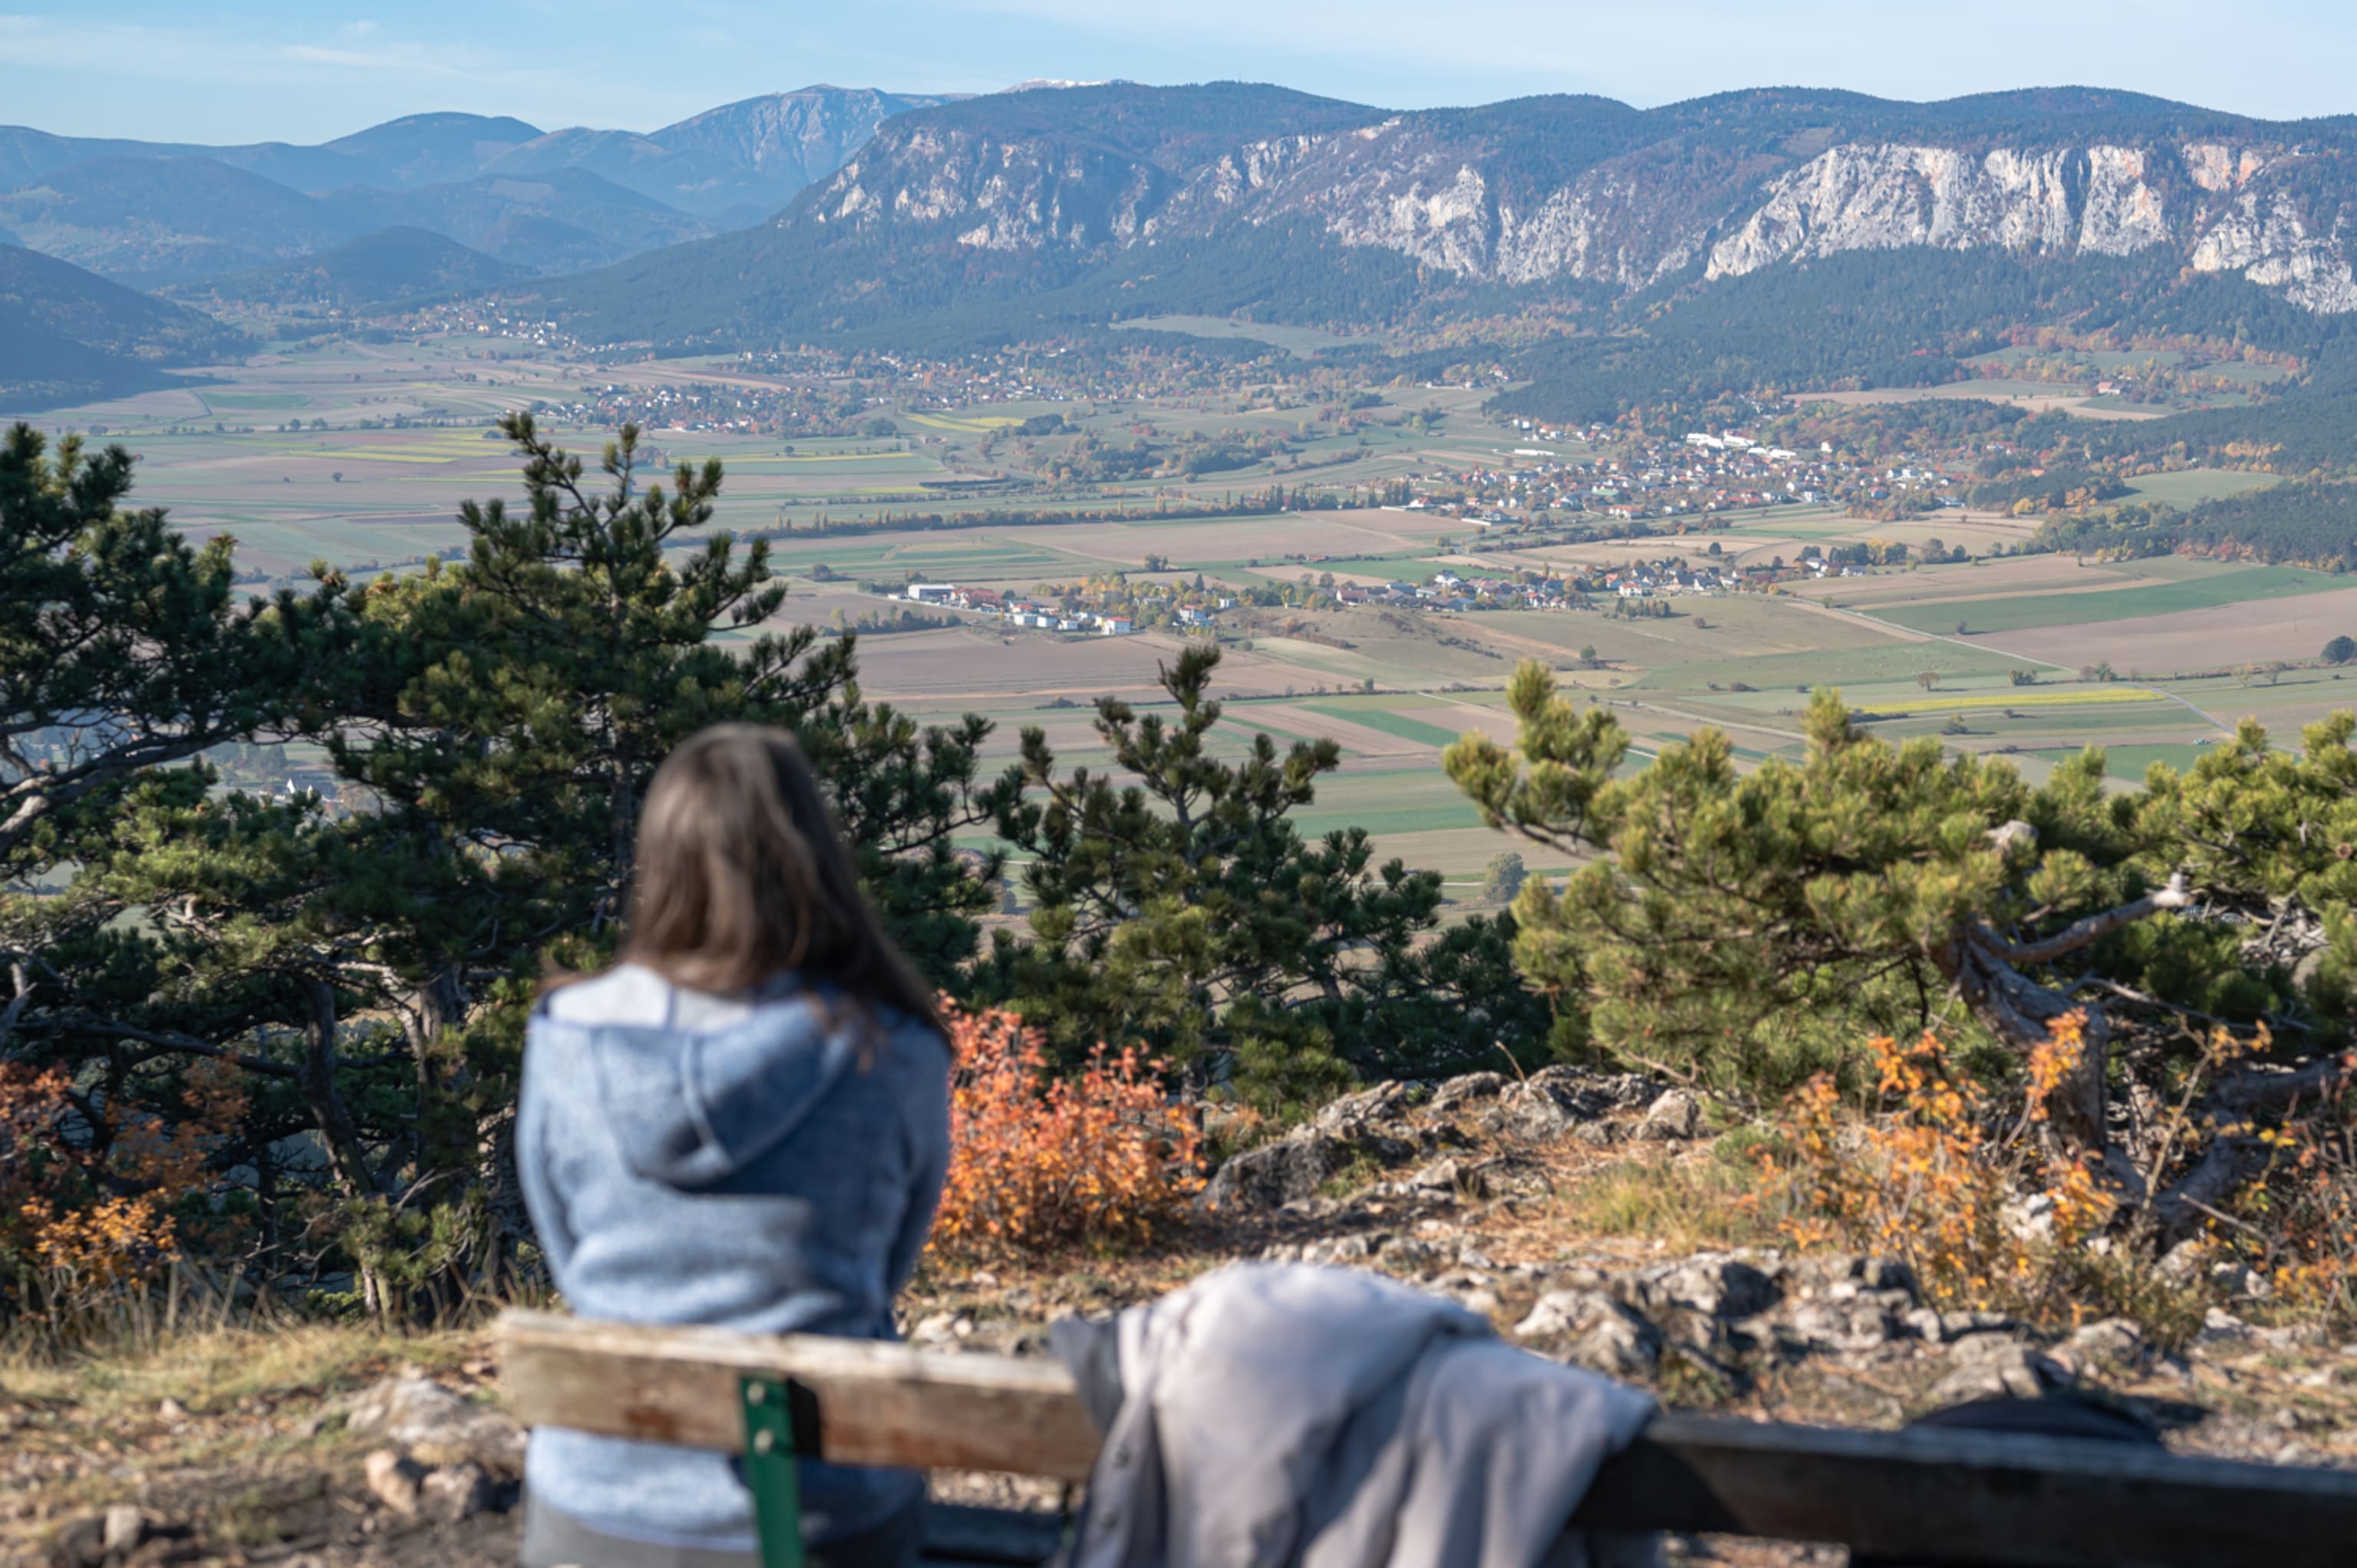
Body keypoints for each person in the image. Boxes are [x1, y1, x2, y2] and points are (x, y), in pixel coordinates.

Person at [516, 725, 952, 1568]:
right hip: (826, 1510)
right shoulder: (890, 1045)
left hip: (596, 1502)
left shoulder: (566, 1032)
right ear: (815, 854)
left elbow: (572, 1262)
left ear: (663, 858)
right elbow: (884, 1270)